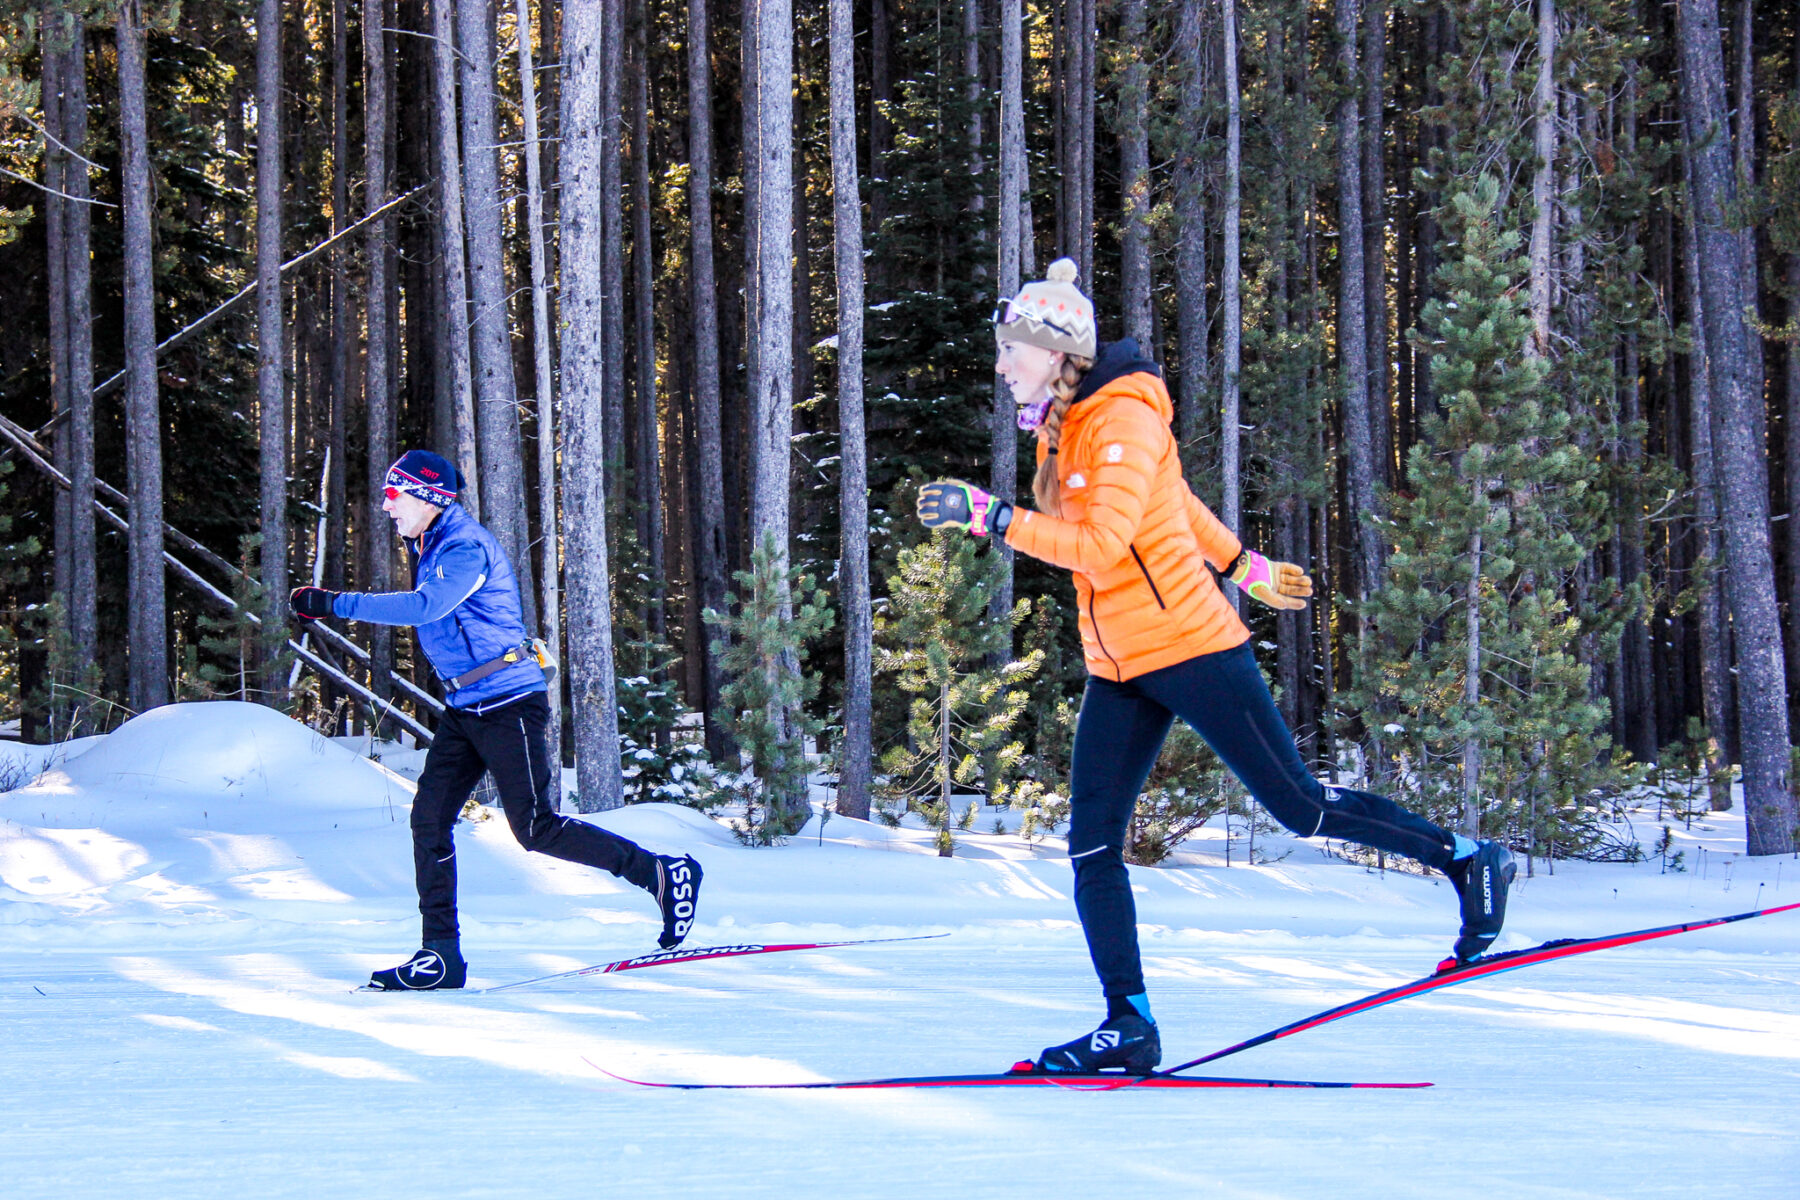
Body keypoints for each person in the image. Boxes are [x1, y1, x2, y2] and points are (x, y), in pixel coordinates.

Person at [915, 260, 1513, 1074]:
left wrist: (990, 516)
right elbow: (1175, 502)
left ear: (1056, 354)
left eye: (1011, 350)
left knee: (1297, 806)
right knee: (1092, 843)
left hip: (1191, 645)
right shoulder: (1070, 419)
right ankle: (1128, 1025)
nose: (1001, 364)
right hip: (1120, 660)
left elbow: (1100, 545)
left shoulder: (1119, 419)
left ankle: (1470, 860)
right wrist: (1246, 565)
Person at [290, 450, 701, 991]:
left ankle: (659, 874)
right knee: (429, 819)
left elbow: (425, 608)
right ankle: (440, 956)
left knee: (535, 829)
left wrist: (334, 603)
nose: (387, 506)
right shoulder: (430, 542)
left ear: (428, 496)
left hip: (511, 704)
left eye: (396, 495)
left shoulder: (463, 546)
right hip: (466, 709)